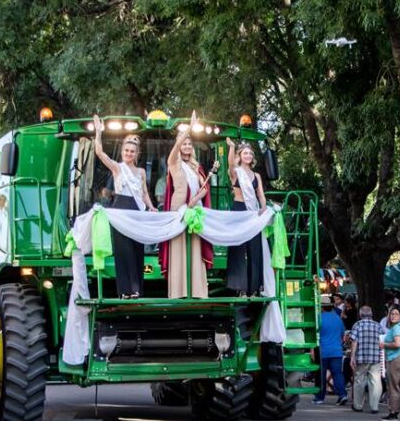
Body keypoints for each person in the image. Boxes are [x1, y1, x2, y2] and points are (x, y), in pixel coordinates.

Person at [92, 115, 157, 298]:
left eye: (132, 151)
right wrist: (99, 132)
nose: (129, 153)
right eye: (126, 150)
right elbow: (99, 152)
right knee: (124, 250)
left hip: (136, 210)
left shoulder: (142, 172)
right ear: (122, 152)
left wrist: (151, 207)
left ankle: (137, 289)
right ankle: (125, 291)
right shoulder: (117, 168)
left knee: (137, 249)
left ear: (137, 154)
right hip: (121, 207)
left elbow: (143, 193)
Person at [160, 114, 217, 299]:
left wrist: (196, 198)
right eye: (183, 143)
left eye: (189, 144)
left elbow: (204, 187)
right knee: (179, 249)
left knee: (195, 248)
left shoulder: (196, 166)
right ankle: (178, 291)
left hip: (195, 210)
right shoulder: (174, 163)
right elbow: (175, 148)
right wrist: (189, 129)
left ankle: (197, 291)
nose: (186, 146)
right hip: (179, 210)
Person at [224, 137, 269, 297]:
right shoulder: (236, 172)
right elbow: (230, 164)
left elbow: (261, 195)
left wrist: (263, 208)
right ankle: (240, 287)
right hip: (239, 209)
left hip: (253, 212)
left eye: (250, 153)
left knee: (254, 248)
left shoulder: (256, 176)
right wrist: (231, 147)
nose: (248, 155)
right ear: (240, 155)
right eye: (245, 153)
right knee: (238, 247)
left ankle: (255, 288)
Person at [349, 305, 386, 413]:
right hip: (375, 357)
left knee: (359, 380)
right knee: (375, 381)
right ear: (371, 315)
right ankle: (374, 406)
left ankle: (358, 405)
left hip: (361, 357)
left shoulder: (358, 325)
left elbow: (354, 341)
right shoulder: (378, 325)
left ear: (360, 315)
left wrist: (352, 356)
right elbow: (382, 341)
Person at [314, 303, 347, 406]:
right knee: (337, 374)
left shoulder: (318, 318)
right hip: (336, 351)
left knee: (321, 376)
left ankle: (319, 397)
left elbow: (315, 335)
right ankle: (342, 394)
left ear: (321, 307)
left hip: (322, 351)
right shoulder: (338, 319)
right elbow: (343, 336)